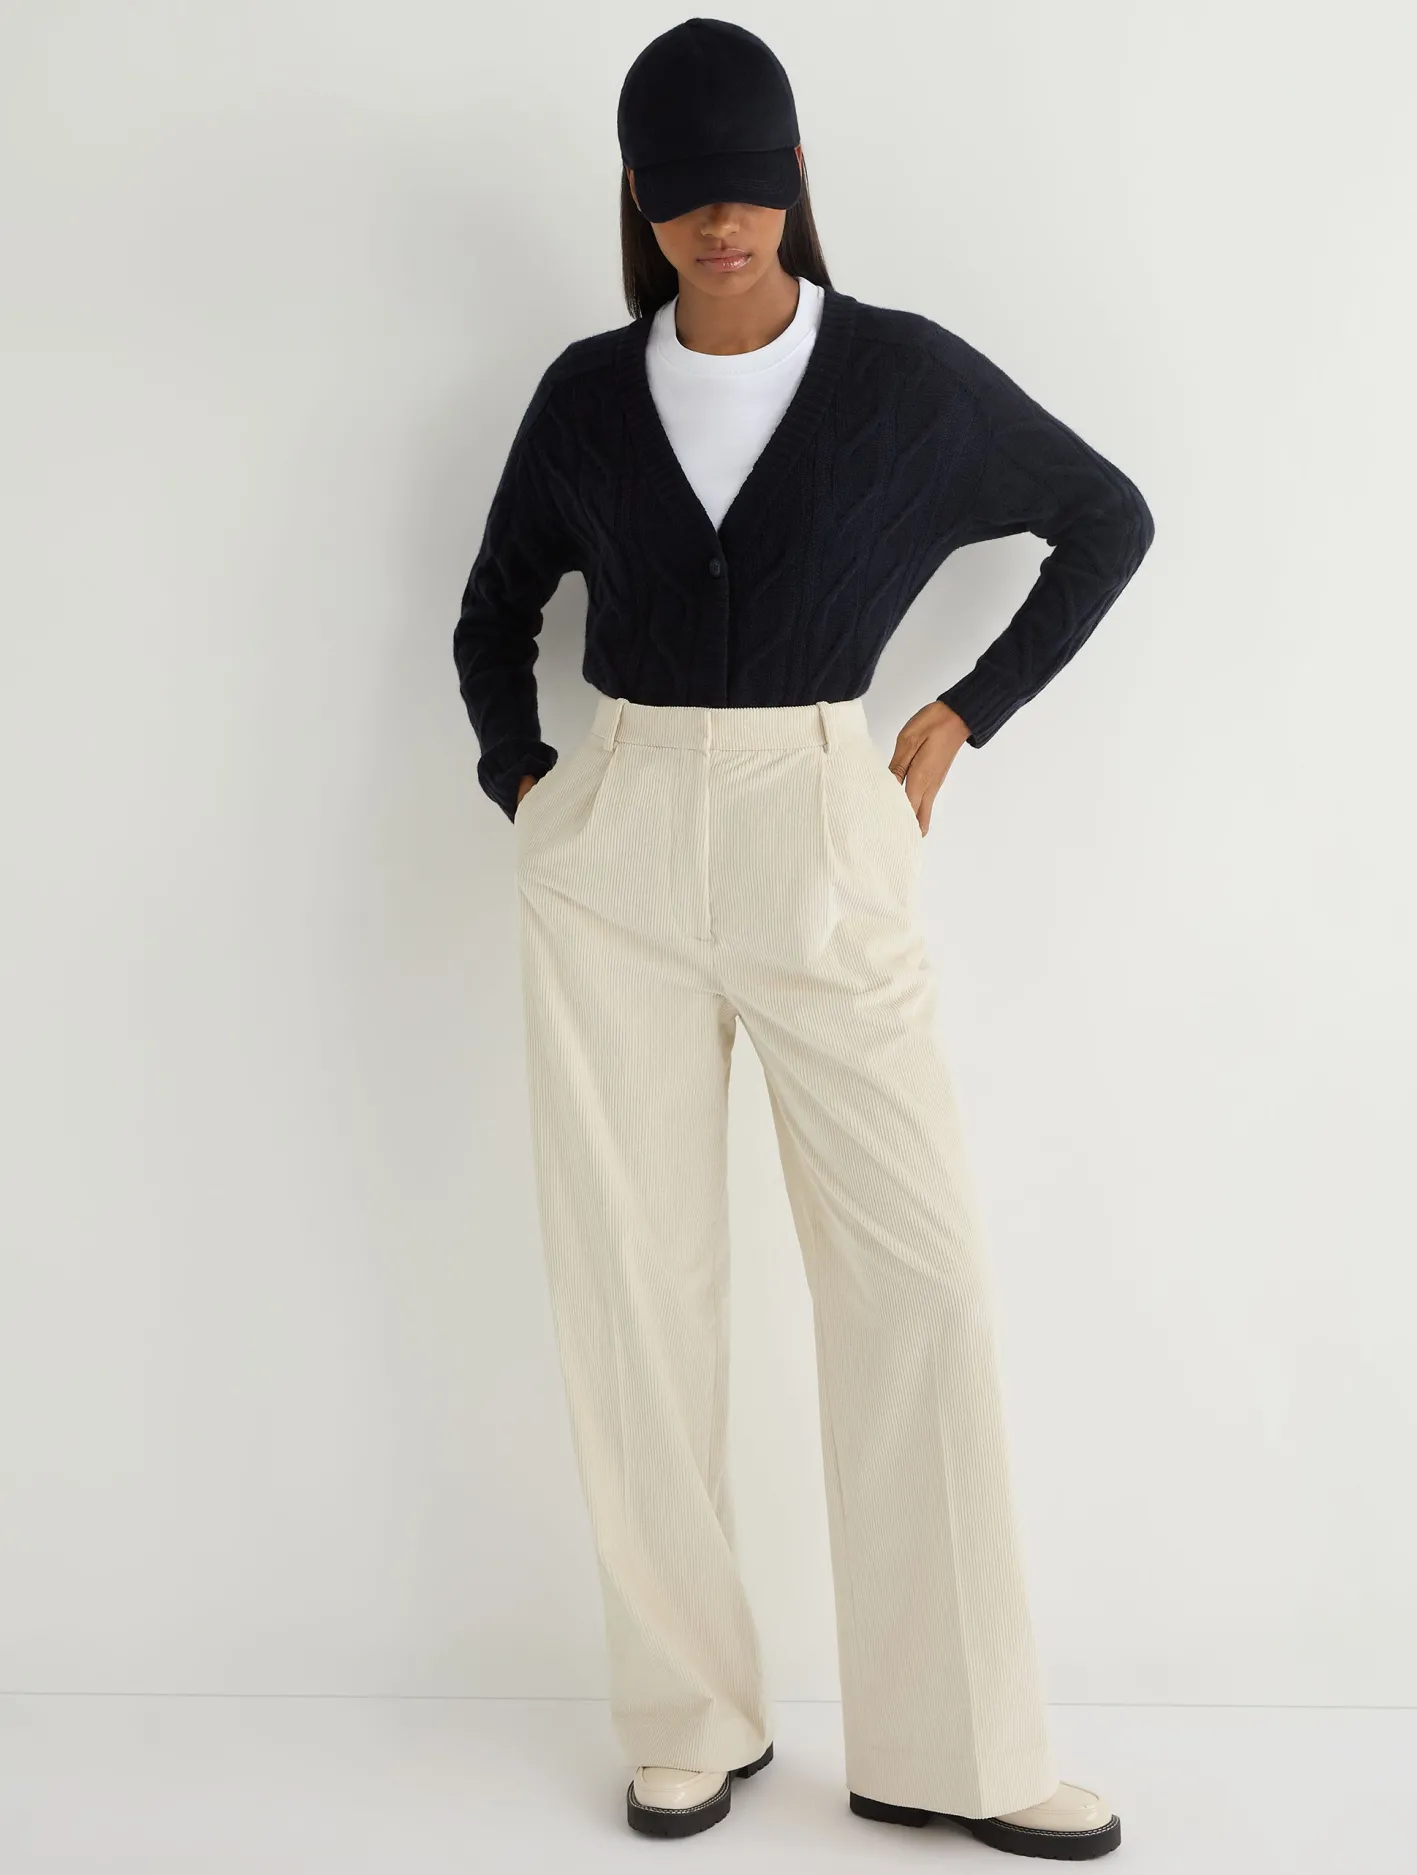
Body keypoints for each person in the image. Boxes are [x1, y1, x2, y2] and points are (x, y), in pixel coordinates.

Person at [453, 16, 1152, 1859]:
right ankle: (691, 1717)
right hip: (613, 848)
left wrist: (966, 711)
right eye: (685, 193)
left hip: (824, 829)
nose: (722, 223)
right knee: (638, 1294)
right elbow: (494, 609)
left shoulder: (901, 379)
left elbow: (1105, 516)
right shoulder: (586, 396)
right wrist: (529, 780)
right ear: (638, 197)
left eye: (749, 186)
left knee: (916, 1277)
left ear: (796, 179)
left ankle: (959, 1744)